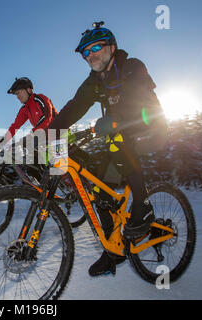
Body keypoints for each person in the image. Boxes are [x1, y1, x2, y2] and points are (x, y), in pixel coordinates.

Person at [48, 21, 166, 276]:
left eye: (96, 48)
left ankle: (143, 205)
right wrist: (49, 132)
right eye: (86, 52)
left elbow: (140, 100)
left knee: (118, 141)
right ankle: (114, 249)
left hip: (149, 126)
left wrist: (113, 120)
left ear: (112, 47)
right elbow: (74, 106)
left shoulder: (132, 67)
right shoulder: (94, 81)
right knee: (99, 189)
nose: (90, 55)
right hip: (117, 132)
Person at [0, 77, 58, 161]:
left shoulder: (40, 99)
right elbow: (14, 127)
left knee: (61, 167)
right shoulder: (25, 109)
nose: (17, 96)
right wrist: (2, 142)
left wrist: (32, 134)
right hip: (43, 139)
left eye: (19, 92)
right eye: (16, 94)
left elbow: (46, 117)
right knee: (35, 165)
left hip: (58, 134)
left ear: (29, 90)